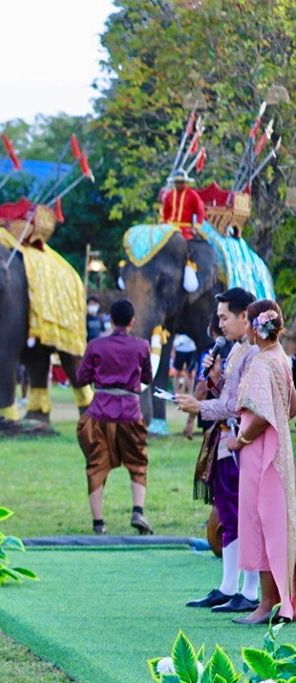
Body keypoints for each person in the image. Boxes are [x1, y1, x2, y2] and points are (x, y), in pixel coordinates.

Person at [176, 287, 259, 614]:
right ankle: (228, 586)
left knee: (244, 515)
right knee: (228, 513)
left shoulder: (254, 353)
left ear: (244, 316)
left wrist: (200, 406)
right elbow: (224, 395)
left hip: (241, 442)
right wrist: (209, 380)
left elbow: (237, 405)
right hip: (225, 442)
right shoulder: (236, 350)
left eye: (225, 317)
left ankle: (250, 590)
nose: (220, 324)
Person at [226, 301, 296, 625]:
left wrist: (239, 440)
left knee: (263, 524)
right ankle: (280, 599)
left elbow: (260, 417)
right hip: (281, 449)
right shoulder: (281, 358)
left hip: (262, 454)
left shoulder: (260, 362)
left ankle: (267, 601)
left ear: (256, 327)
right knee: (280, 523)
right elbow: (289, 406)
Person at [75, 298, 154, 535]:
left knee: (96, 465)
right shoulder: (142, 346)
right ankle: (138, 511)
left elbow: (81, 378)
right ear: (132, 321)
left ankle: (98, 523)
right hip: (130, 412)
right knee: (138, 463)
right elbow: (148, 378)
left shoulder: (96, 346)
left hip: (100, 412)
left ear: (110, 319)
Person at [161, 169, 206, 241]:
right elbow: (165, 212)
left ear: (186, 182)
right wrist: (163, 224)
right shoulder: (169, 195)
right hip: (169, 228)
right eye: (177, 182)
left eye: (181, 182)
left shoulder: (193, 195)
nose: (179, 184)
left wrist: (196, 226)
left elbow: (200, 212)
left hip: (186, 229)